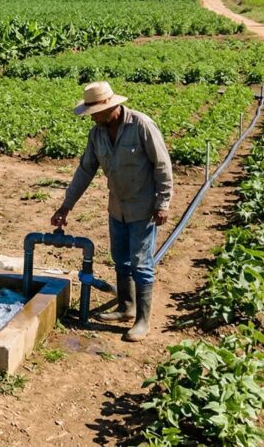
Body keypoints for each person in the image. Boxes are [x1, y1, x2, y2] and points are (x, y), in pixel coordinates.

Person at [50, 81, 172, 341]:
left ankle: (142, 320)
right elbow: (85, 171)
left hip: (143, 208)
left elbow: (162, 165)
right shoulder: (97, 134)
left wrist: (163, 203)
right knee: (121, 259)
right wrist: (66, 206)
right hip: (117, 207)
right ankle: (126, 307)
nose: (92, 117)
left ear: (111, 107)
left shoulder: (141, 126)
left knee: (141, 263)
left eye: (94, 112)